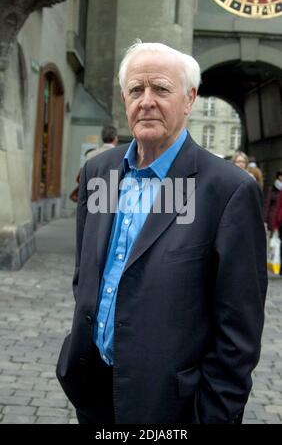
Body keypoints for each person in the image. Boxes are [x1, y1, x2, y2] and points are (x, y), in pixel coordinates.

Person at [56, 41, 267, 424]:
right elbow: (87, 276)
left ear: (189, 99)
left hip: (171, 405)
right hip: (94, 390)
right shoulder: (99, 173)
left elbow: (238, 332)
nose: (147, 100)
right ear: (124, 98)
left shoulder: (227, 191)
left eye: (161, 89)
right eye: (137, 89)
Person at [264, 170, 282, 275]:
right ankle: (275, 263)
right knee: (274, 243)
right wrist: (265, 220)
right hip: (273, 217)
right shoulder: (272, 189)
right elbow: (267, 205)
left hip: (280, 218)